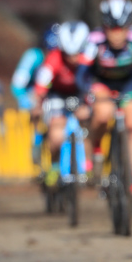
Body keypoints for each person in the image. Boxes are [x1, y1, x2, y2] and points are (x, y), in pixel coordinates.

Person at [78, 0, 132, 206]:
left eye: (122, 28)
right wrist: (87, 94)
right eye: (111, 28)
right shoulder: (94, 41)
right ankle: (97, 149)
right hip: (103, 84)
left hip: (130, 85)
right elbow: (82, 74)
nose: (117, 34)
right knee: (102, 114)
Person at [32, 20, 92, 186]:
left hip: (81, 94)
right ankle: (55, 164)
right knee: (57, 131)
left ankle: (87, 165)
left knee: (86, 125)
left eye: (76, 53)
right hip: (57, 95)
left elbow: (95, 82)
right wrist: (38, 101)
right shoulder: (54, 58)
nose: (73, 58)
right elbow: (42, 82)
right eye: (68, 54)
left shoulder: (90, 56)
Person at [11, 25, 58, 110]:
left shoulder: (60, 60)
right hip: (30, 97)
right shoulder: (33, 56)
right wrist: (26, 99)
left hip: (49, 98)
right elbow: (18, 84)